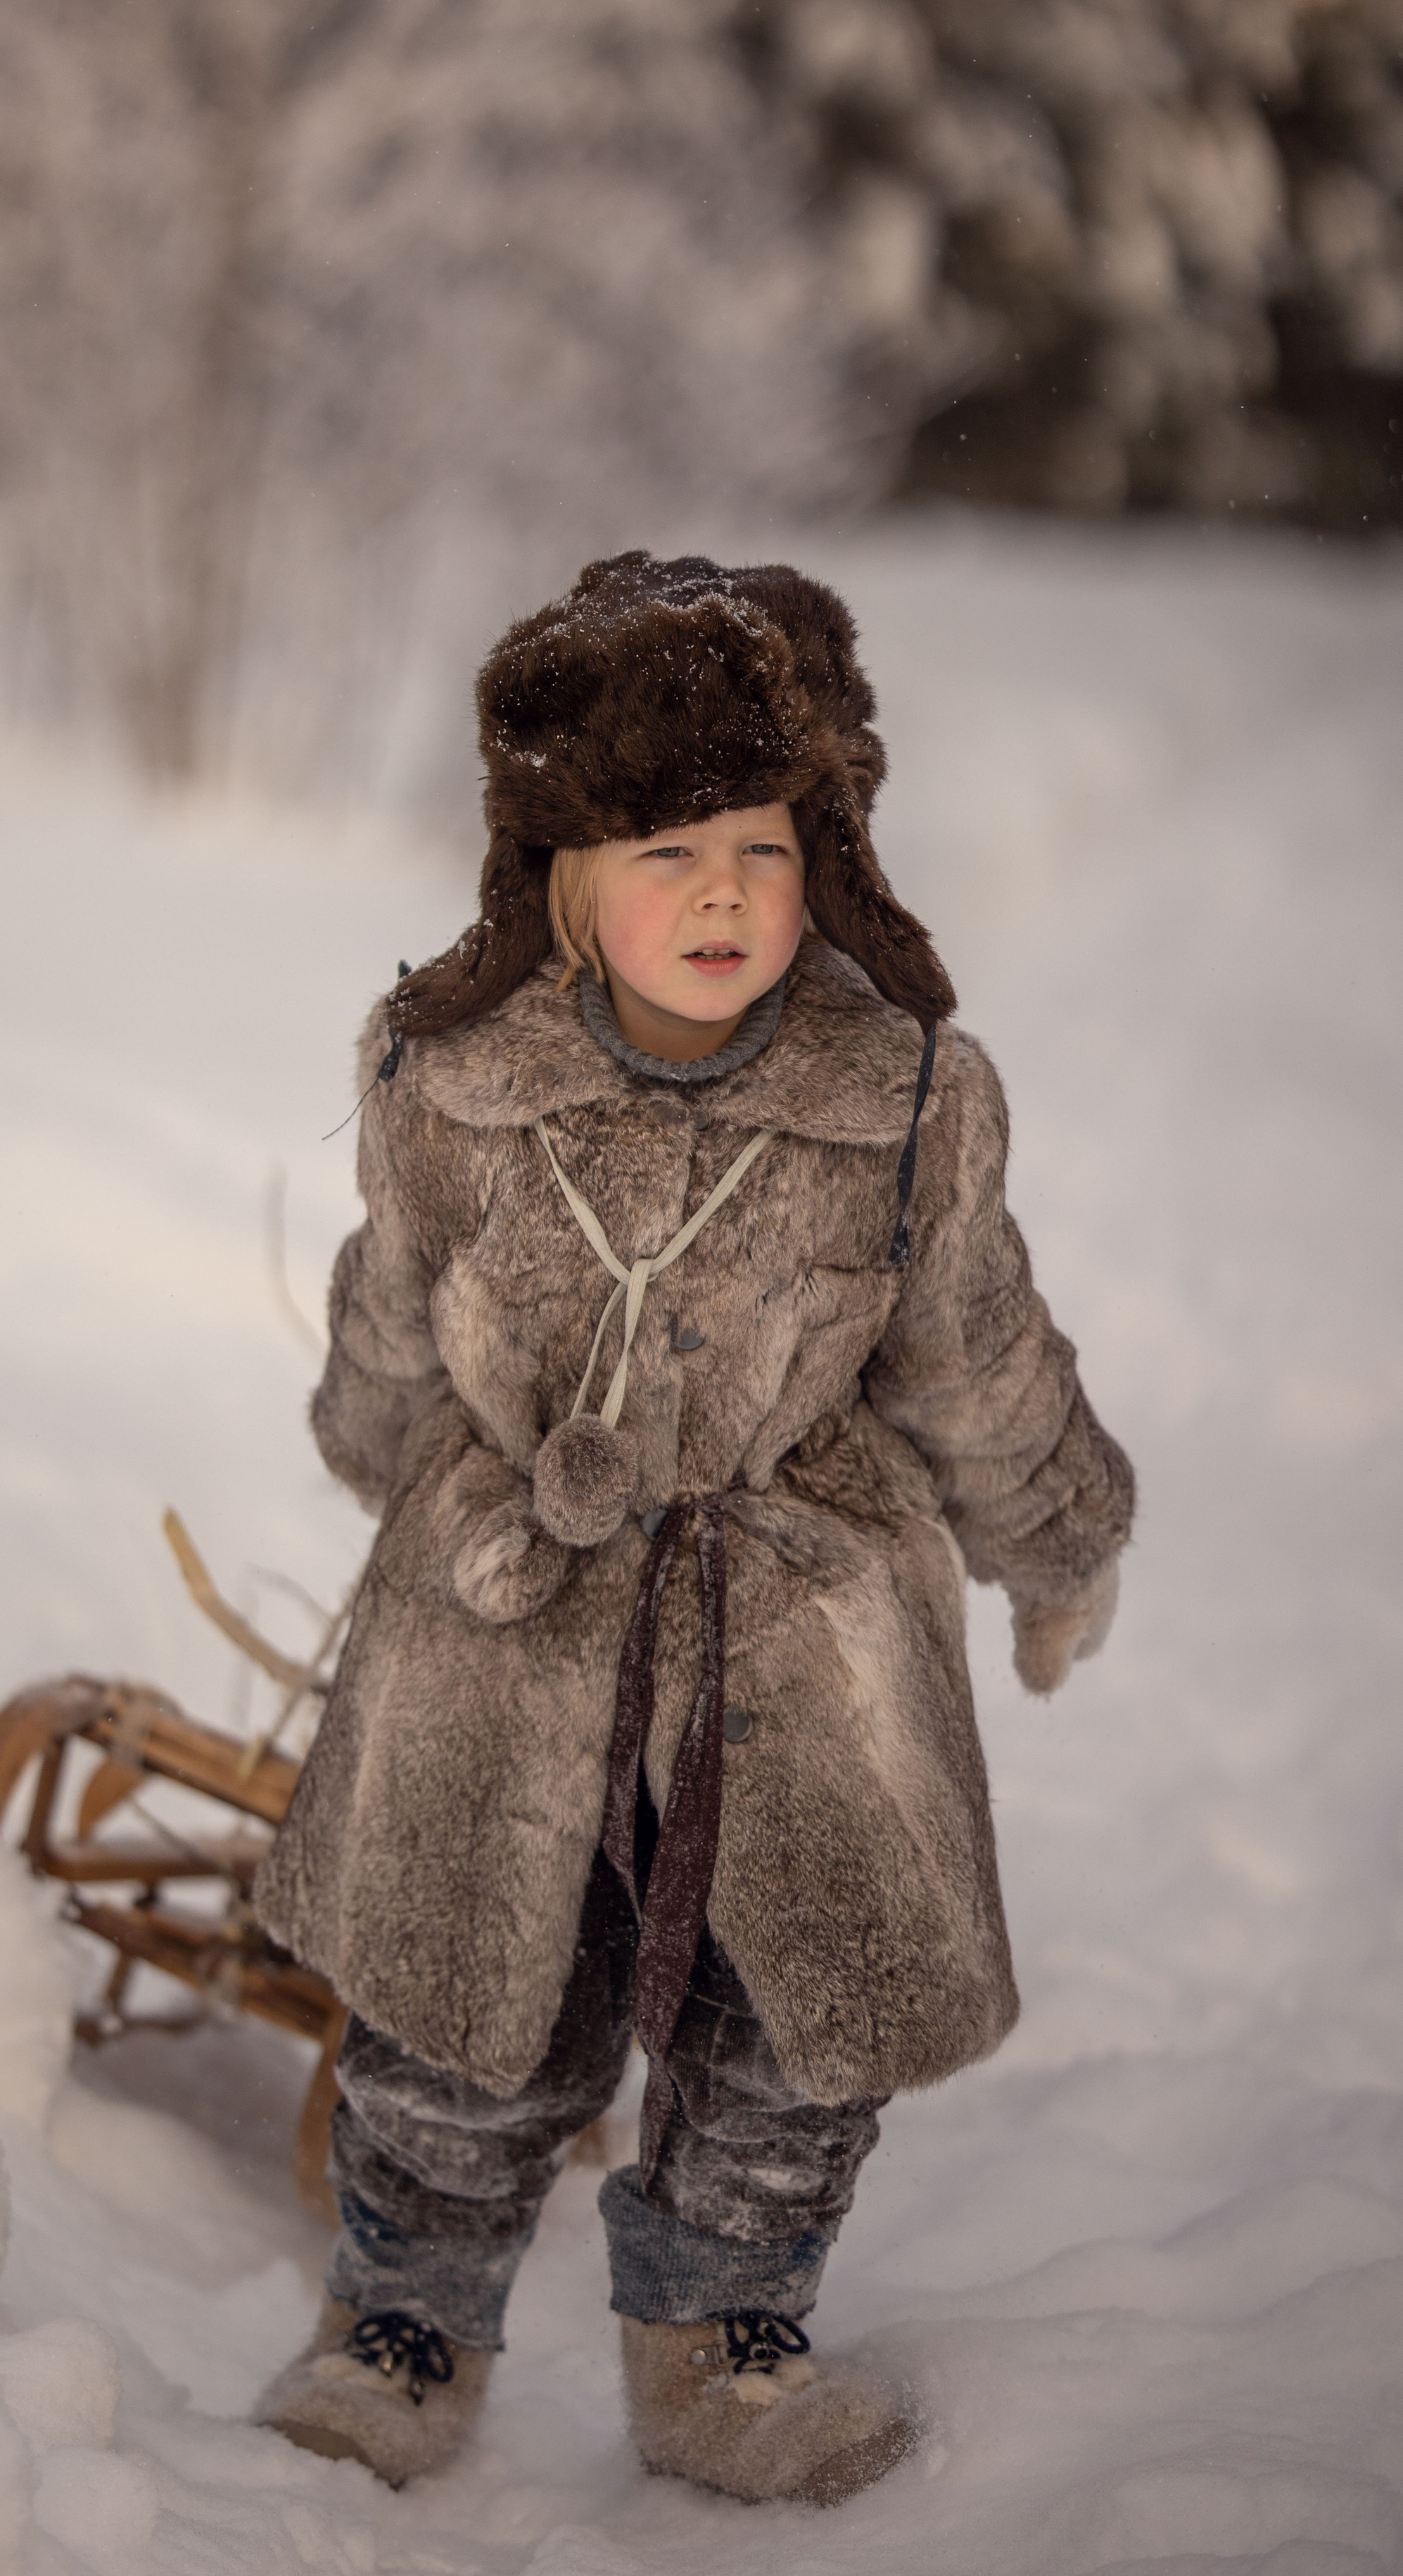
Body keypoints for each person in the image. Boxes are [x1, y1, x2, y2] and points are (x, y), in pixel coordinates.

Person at [251, 550, 1134, 2504]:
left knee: (795, 2015)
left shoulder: (901, 1100)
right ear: (566, 878)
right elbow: (391, 1305)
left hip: (800, 1614)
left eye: (761, 841)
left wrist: (1055, 1539)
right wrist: (381, 1452)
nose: (723, 891)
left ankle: (724, 2336)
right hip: (510, 1605)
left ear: (823, 851)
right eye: (665, 850)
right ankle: (403, 2311)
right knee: (459, 1994)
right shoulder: (451, 1081)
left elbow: (972, 1353)